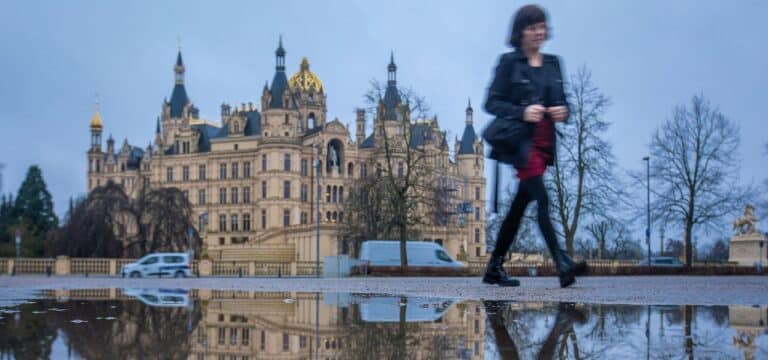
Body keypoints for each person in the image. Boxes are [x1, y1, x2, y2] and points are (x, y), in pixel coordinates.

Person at [483, 4, 587, 287]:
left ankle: (493, 267)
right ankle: (562, 263)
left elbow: (562, 101)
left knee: (517, 209)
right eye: (532, 27)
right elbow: (491, 103)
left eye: (542, 26)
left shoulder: (553, 63)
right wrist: (522, 112)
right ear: (520, 32)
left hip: (544, 144)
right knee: (542, 199)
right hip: (521, 146)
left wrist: (562, 111)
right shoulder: (509, 63)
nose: (539, 32)